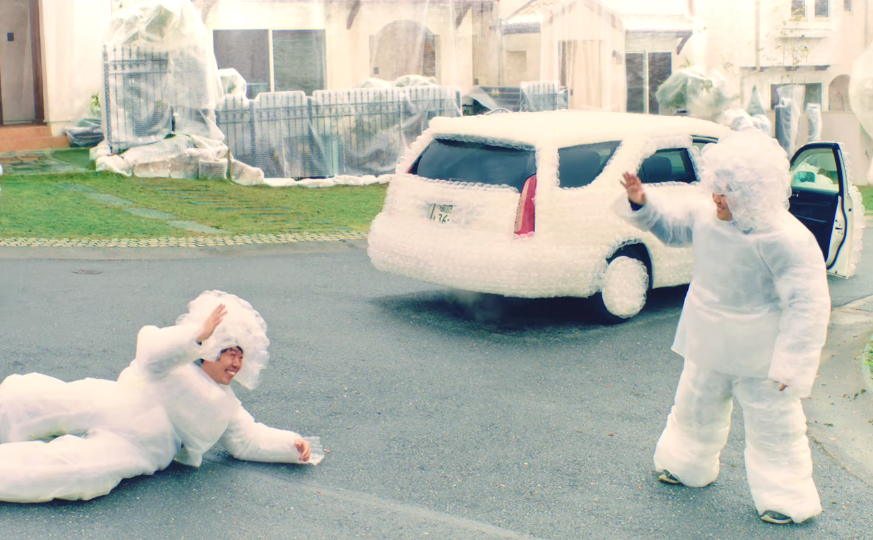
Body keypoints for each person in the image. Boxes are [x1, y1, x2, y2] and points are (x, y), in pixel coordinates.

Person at [616, 129, 831, 525]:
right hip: (709, 340)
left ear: (754, 192)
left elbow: (808, 306)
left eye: (728, 189)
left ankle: (785, 498)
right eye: (716, 185)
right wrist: (642, 203)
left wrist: (792, 365)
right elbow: (672, 228)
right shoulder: (707, 216)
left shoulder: (788, 240)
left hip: (761, 354)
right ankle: (684, 465)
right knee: (694, 407)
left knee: (774, 427)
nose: (717, 195)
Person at [0, 290, 322, 503]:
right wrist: (195, 336)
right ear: (210, 350)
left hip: (139, 446)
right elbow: (150, 349)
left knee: (79, 473)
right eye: (230, 354)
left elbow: (248, 440)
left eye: (242, 357)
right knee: (34, 399)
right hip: (111, 401)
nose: (237, 364)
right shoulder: (176, 360)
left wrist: (291, 445)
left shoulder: (226, 405)